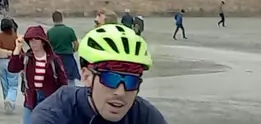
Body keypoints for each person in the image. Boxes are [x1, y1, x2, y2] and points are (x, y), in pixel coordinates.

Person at [30, 24, 167, 124]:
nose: (120, 92)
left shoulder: (144, 115)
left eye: (131, 81)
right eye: (111, 79)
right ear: (86, 76)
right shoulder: (54, 113)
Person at [9, 25, 69, 122]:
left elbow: (63, 82)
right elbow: (12, 68)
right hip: (31, 101)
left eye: (36, 40)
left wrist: (62, 101)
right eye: (30, 41)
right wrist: (18, 48)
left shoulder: (53, 60)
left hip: (49, 102)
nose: (33, 44)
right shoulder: (27, 58)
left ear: (43, 42)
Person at [46, 12, 79, 86]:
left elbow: (47, 46)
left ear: (53, 19)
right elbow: (76, 45)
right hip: (68, 57)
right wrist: (73, 50)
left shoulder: (50, 32)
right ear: (62, 18)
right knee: (70, 79)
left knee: (57, 78)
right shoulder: (69, 30)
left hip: (55, 58)